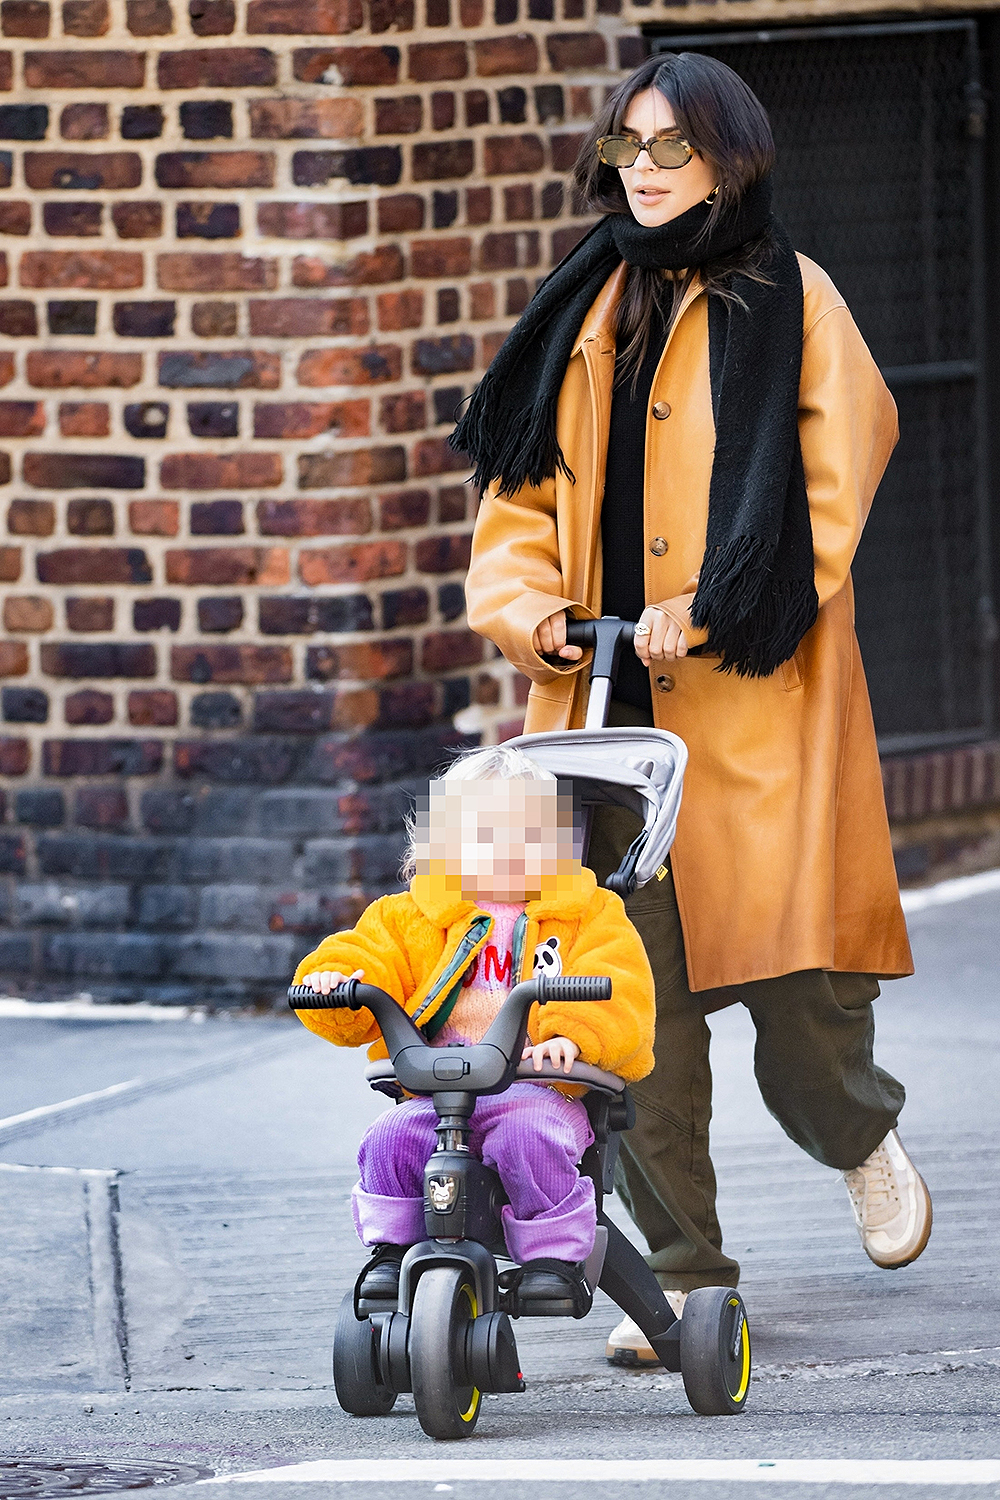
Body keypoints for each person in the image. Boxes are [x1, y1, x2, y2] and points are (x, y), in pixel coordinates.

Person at [459, 51, 932, 1365]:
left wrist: (723, 596)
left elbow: (842, 468)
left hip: (756, 705)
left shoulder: (798, 299)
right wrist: (529, 609)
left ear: (731, 157)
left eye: (673, 147)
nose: (647, 170)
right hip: (607, 717)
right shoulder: (583, 309)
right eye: (631, 147)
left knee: (804, 1004)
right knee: (640, 1018)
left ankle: (858, 1134)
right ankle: (685, 1282)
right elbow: (516, 504)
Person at [292, 743, 655, 1311]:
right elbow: (369, 956)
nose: (507, 852)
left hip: (535, 1085)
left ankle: (553, 1259)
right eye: (485, 836)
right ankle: (391, 1251)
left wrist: (573, 1033)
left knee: (529, 1136)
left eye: (527, 837)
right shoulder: (412, 915)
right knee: (389, 1141)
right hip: (439, 1090)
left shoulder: (587, 914)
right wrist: (335, 980)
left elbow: (621, 984)